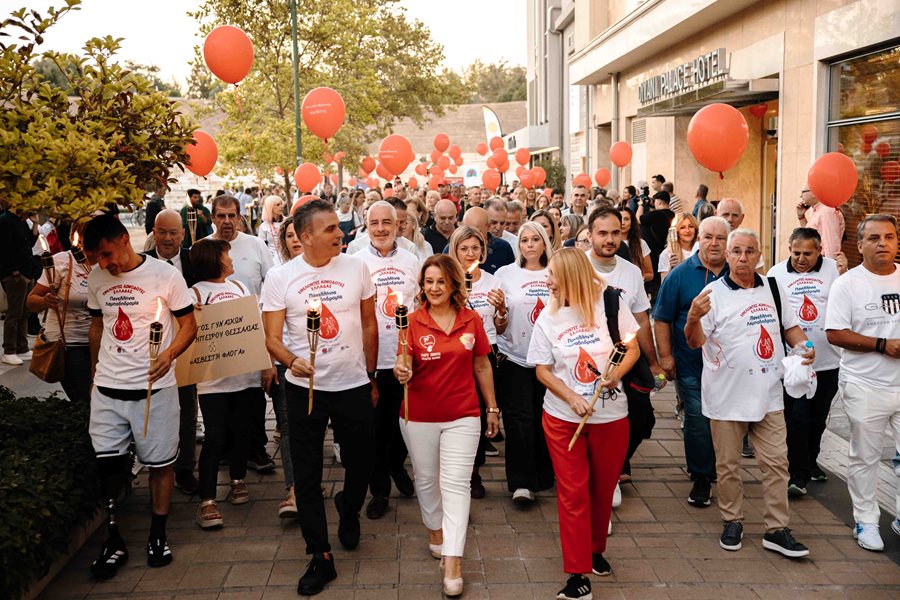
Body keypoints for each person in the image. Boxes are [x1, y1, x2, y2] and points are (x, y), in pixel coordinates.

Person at [261, 199, 378, 595]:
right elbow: (272, 339)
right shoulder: (281, 278)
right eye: (330, 229)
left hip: (353, 384)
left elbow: (368, 321)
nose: (340, 234)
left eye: (339, 227)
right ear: (305, 236)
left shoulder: (357, 267)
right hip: (305, 390)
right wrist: (292, 361)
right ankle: (320, 555)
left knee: (361, 462)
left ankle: (349, 506)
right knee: (307, 474)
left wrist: (372, 374)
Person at [685, 227, 812, 559]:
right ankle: (732, 520)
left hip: (769, 393)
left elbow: (790, 327)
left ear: (760, 256)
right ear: (726, 256)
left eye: (750, 251)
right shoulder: (712, 294)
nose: (743, 258)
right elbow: (695, 341)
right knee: (727, 467)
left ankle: (777, 529)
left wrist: (804, 346)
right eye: (736, 251)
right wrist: (693, 318)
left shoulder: (773, 287)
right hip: (727, 398)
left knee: (776, 464)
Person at [83, 214, 198, 578]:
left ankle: (157, 534)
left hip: (154, 388)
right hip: (108, 389)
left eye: (106, 254)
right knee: (108, 467)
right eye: (97, 258)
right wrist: (93, 377)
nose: (104, 264)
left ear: (123, 241)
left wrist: (169, 354)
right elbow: (98, 326)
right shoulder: (98, 278)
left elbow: (189, 324)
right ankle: (113, 538)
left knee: (160, 462)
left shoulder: (165, 275)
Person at [528, 248, 639, 600]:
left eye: (553, 275)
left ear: (571, 277)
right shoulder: (548, 317)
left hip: (611, 415)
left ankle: (594, 552)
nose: (547, 281)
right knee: (573, 493)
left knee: (602, 490)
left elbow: (631, 347)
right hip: (562, 419)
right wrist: (571, 397)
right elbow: (542, 370)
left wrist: (614, 374)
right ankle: (577, 575)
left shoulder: (610, 304)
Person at [393, 254, 499, 597]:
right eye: (428, 282)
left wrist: (492, 408)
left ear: (453, 284)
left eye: (440, 281)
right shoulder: (411, 321)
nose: (434, 288)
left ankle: (453, 560)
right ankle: (434, 528)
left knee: (456, 485)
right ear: (421, 286)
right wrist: (402, 370)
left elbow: (482, 365)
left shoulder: (471, 320)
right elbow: (403, 360)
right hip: (418, 414)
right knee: (426, 480)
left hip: (463, 415)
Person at [825, 213, 900, 552]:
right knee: (865, 458)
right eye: (873, 238)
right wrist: (882, 345)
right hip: (865, 386)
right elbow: (835, 333)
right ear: (859, 245)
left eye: (888, 237)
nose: (882, 243)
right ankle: (866, 521)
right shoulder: (847, 284)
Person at [190, 239, 274, 529]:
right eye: (226, 255)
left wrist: (265, 365)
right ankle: (207, 499)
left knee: (241, 432)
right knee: (215, 438)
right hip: (213, 383)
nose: (231, 258)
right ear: (215, 260)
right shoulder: (195, 294)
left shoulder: (239, 288)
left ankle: (238, 480)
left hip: (246, 377)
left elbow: (255, 327)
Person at [653, 216, 730, 507]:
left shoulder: (738, 274)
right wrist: (667, 357)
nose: (713, 243)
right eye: (707, 236)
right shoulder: (680, 275)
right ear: (698, 239)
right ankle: (701, 478)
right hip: (691, 365)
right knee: (698, 420)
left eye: (720, 238)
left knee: (723, 423)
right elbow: (661, 318)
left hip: (729, 369)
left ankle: (718, 469)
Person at [586, 207, 665, 487]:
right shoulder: (578, 268)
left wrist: (654, 362)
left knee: (641, 416)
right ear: (590, 235)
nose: (609, 239)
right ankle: (600, 467)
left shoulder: (631, 272)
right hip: (587, 357)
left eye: (615, 233)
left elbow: (642, 318)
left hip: (628, 355)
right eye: (602, 233)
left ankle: (619, 461)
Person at [355, 201, 419, 519]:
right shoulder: (355, 262)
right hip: (371, 357)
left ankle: (397, 464)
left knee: (403, 422)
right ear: (366, 225)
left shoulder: (412, 260)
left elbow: (421, 303)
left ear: (398, 225)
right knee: (375, 429)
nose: (380, 229)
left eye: (386, 222)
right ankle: (379, 490)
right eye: (374, 222)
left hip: (405, 356)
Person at [767, 228, 842, 496]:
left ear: (820, 250)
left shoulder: (833, 270)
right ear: (789, 249)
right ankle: (796, 475)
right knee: (796, 417)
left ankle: (811, 461)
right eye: (796, 253)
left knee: (817, 417)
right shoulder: (776, 274)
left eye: (807, 254)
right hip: (793, 363)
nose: (801, 259)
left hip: (827, 361)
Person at [209, 195, 275, 473]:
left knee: (253, 394)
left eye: (231, 216)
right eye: (221, 216)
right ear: (212, 218)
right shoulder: (203, 247)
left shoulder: (256, 245)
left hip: (253, 330)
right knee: (222, 395)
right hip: (216, 334)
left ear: (240, 217)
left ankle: (255, 449)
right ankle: (225, 449)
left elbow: (271, 285)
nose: (226, 221)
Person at [495, 222, 555, 503]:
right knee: (519, 421)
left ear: (545, 242)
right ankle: (521, 482)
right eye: (524, 240)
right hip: (515, 357)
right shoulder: (505, 274)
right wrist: (500, 315)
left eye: (535, 239)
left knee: (545, 420)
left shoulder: (556, 271)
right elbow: (498, 319)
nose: (529, 245)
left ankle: (544, 475)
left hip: (550, 361)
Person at [448, 226, 508, 499]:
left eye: (475, 248)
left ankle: (475, 467)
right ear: (455, 251)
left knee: (483, 410)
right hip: (455, 354)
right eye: (464, 248)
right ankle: (463, 473)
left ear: (482, 251)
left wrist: (502, 312)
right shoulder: (446, 279)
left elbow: (501, 327)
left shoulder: (494, 281)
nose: (470, 253)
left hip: (486, 352)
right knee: (460, 413)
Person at [144, 209, 200, 494]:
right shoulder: (142, 265)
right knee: (155, 410)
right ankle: (157, 463)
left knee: (187, 410)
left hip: (188, 347)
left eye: (173, 232)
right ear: (154, 232)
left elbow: (209, 290)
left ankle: (185, 469)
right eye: (162, 232)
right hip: (151, 350)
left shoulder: (193, 260)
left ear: (182, 234)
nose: (167, 238)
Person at [26, 222, 97, 407]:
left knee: (100, 396)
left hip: (99, 342)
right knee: (85, 398)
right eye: (81, 241)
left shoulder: (106, 262)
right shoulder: (61, 262)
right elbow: (31, 301)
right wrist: (45, 301)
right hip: (68, 343)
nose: (85, 248)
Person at [0, 198, 37, 365]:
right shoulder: (5, 220)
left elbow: (30, 242)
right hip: (15, 274)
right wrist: (14, 271)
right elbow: (5, 248)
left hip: (26, 273)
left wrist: (35, 224)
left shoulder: (20, 221)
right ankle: (9, 350)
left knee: (24, 312)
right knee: (14, 313)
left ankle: (21, 347)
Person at [459, 206, 515, 274]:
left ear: (488, 227)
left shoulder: (503, 248)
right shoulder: (451, 248)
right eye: (466, 231)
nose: (471, 236)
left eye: (477, 232)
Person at [797, 186, 845, 260]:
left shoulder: (827, 211)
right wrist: (801, 216)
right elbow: (807, 235)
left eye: (803, 192)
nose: (801, 196)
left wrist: (829, 268)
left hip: (821, 261)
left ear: (814, 192)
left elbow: (831, 245)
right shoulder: (817, 209)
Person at [658, 212, 699, 281]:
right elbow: (664, 286)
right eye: (682, 227)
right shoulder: (667, 254)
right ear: (676, 231)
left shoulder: (700, 250)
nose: (687, 230)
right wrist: (671, 271)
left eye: (691, 226)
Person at [620, 208, 652, 282]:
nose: (622, 222)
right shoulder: (610, 244)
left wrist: (637, 277)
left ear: (632, 222)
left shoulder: (641, 243)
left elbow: (650, 274)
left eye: (626, 219)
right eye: (619, 218)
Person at [257, 195, 285, 264]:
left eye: (281, 204)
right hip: (271, 260)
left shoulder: (287, 222)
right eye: (278, 205)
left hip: (287, 258)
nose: (281, 206)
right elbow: (261, 246)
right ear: (270, 207)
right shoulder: (263, 227)